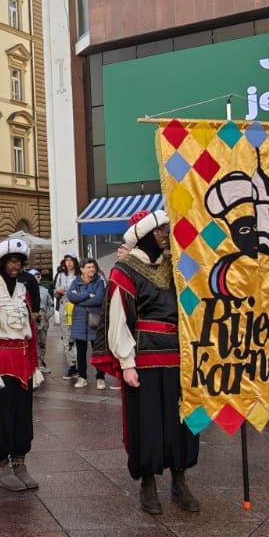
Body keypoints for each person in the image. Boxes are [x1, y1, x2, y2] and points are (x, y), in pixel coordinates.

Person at [99, 209, 201, 516]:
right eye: (160, 231)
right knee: (148, 424)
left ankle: (180, 481)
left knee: (183, 423)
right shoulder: (124, 270)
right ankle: (147, 484)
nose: (166, 236)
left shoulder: (177, 267)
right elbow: (118, 320)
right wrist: (126, 364)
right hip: (143, 359)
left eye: (167, 230)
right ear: (144, 235)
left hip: (179, 357)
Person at [0, 239, 44, 493]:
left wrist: (34, 363)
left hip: (22, 361)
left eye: (18, 262)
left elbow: (31, 332)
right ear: (1, 264)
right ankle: (3, 467)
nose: (15, 266)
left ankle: (20, 463)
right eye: (11, 262)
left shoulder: (24, 292)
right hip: (0, 361)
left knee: (21, 416)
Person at [65, 260, 108, 390]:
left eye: (93, 267)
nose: (92, 269)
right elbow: (70, 297)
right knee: (80, 352)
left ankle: (100, 377)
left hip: (94, 320)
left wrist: (80, 300)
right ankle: (82, 377)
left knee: (98, 350)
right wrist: (88, 295)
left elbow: (99, 299)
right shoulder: (76, 282)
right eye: (88, 267)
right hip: (79, 321)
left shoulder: (99, 282)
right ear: (82, 269)